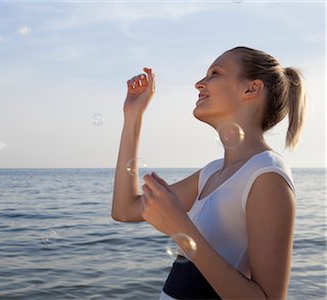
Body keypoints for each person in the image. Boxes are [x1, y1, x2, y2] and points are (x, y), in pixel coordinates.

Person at [111, 46, 306, 299]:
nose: (199, 84)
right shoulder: (213, 172)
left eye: (214, 73)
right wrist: (133, 115)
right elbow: (124, 210)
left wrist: (181, 228)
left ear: (251, 89)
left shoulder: (266, 175)